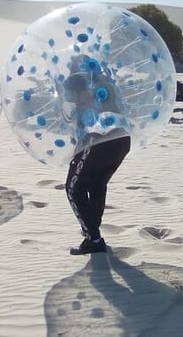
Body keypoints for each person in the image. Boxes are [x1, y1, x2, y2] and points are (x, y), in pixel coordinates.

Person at [61, 54, 131, 255]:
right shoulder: (105, 87)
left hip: (98, 142)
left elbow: (81, 124)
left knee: (74, 188)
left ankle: (93, 238)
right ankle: (94, 235)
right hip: (122, 141)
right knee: (96, 184)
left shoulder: (84, 89)